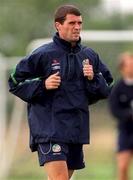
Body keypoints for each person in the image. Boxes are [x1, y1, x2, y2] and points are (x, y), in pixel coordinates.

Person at [9, 4, 113, 180]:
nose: (77, 27)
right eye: (72, 23)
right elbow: (14, 81)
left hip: (76, 128)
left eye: (79, 23)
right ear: (58, 25)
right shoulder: (42, 54)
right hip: (50, 128)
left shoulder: (90, 55)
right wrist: (43, 85)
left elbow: (107, 88)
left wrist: (93, 78)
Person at [109, 52, 133, 180]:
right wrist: (129, 115)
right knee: (123, 167)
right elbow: (114, 110)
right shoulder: (117, 88)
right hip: (126, 131)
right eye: (129, 65)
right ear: (122, 68)